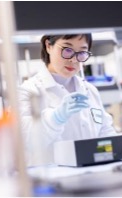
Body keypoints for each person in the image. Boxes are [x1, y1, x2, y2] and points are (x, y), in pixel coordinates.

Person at [18, 34, 116, 166]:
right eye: (67, 50)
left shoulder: (90, 90)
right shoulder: (28, 91)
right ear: (48, 46)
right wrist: (56, 118)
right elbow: (24, 140)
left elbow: (105, 133)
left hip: (92, 174)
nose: (74, 60)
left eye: (81, 52)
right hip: (52, 180)